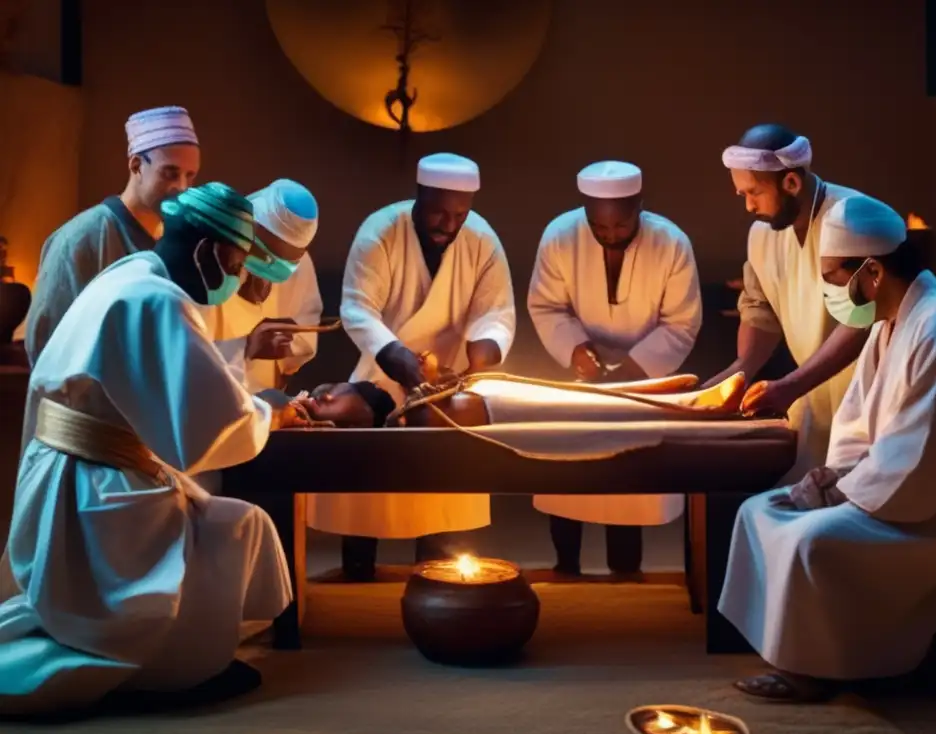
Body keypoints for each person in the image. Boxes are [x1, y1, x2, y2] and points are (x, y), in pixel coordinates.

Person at [0, 182, 312, 717]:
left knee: (233, 522)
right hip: (99, 493)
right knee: (232, 528)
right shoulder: (157, 300)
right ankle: (171, 671)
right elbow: (209, 430)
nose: (239, 279)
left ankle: (177, 657)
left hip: (74, 475)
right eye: (238, 264)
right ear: (210, 252)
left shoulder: (131, 275)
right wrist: (271, 411)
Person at [718, 194, 936, 703]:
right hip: (888, 486)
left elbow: (921, 460)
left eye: (834, 275)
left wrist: (842, 494)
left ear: (873, 273)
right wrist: (833, 478)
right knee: (760, 510)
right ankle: (789, 650)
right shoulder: (888, 323)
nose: (831, 290)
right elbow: (857, 423)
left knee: (811, 540)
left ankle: (821, 670)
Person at [305, 152, 516, 581]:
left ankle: (439, 579)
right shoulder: (380, 230)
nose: (449, 224)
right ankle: (357, 579)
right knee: (368, 491)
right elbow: (358, 309)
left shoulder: (482, 238)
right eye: (439, 211)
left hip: (448, 380)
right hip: (382, 370)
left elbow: (497, 312)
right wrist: (396, 353)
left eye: (460, 213)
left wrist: (483, 353)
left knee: (441, 489)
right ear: (419, 196)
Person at [527, 161, 702, 576]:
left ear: (640, 207)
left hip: (643, 378)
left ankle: (627, 572)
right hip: (579, 376)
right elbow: (546, 305)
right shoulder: (559, 235)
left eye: (620, 227)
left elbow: (682, 320)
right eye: (598, 227)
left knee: (628, 479)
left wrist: (636, 366)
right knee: (567, 474)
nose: (609, 236)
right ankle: (565, 567)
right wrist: (575, 349)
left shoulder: (672, 242)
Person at [706, 124, 869, 482]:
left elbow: (863, 319)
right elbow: (759, 309)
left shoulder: (850, 217)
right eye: (741, 194)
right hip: (812, 398)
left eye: (754, 193)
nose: (749, 206)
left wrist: (792, 385)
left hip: (868, 401)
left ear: (791, 183)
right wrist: (738, 373)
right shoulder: (762, 233)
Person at [25, 106, 201, 364]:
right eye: (170, 173)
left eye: (190, 176)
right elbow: (47, 346)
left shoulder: (171, 240)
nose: (182, 188)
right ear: (137, 165)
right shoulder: (82, 239)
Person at [198, 179, 324, 394]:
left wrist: (287, 345)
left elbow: (299, 344)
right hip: (211, 396)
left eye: (285, 261)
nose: (270, 269)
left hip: (264, 402)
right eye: (265, 255)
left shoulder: (300, 266)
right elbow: (188, 357)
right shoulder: (205, 261)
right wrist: (245, 347)